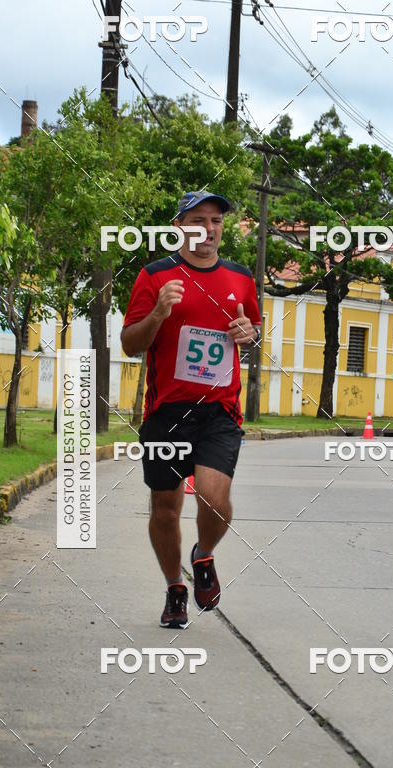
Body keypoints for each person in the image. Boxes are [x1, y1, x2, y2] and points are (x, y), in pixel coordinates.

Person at [121, 191, 261, 628]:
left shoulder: (241, 279)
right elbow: (130, 345)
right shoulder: (155, 275)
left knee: (214, 500)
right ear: (180, 225)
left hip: (219, 412)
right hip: (167, 413)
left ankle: (202, 555)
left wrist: (249, 335)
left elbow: (254, 336)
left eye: (216, 220)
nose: (209, 228)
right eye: (198, 219)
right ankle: (174, 587)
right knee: (164, 506)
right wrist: (159, 312)